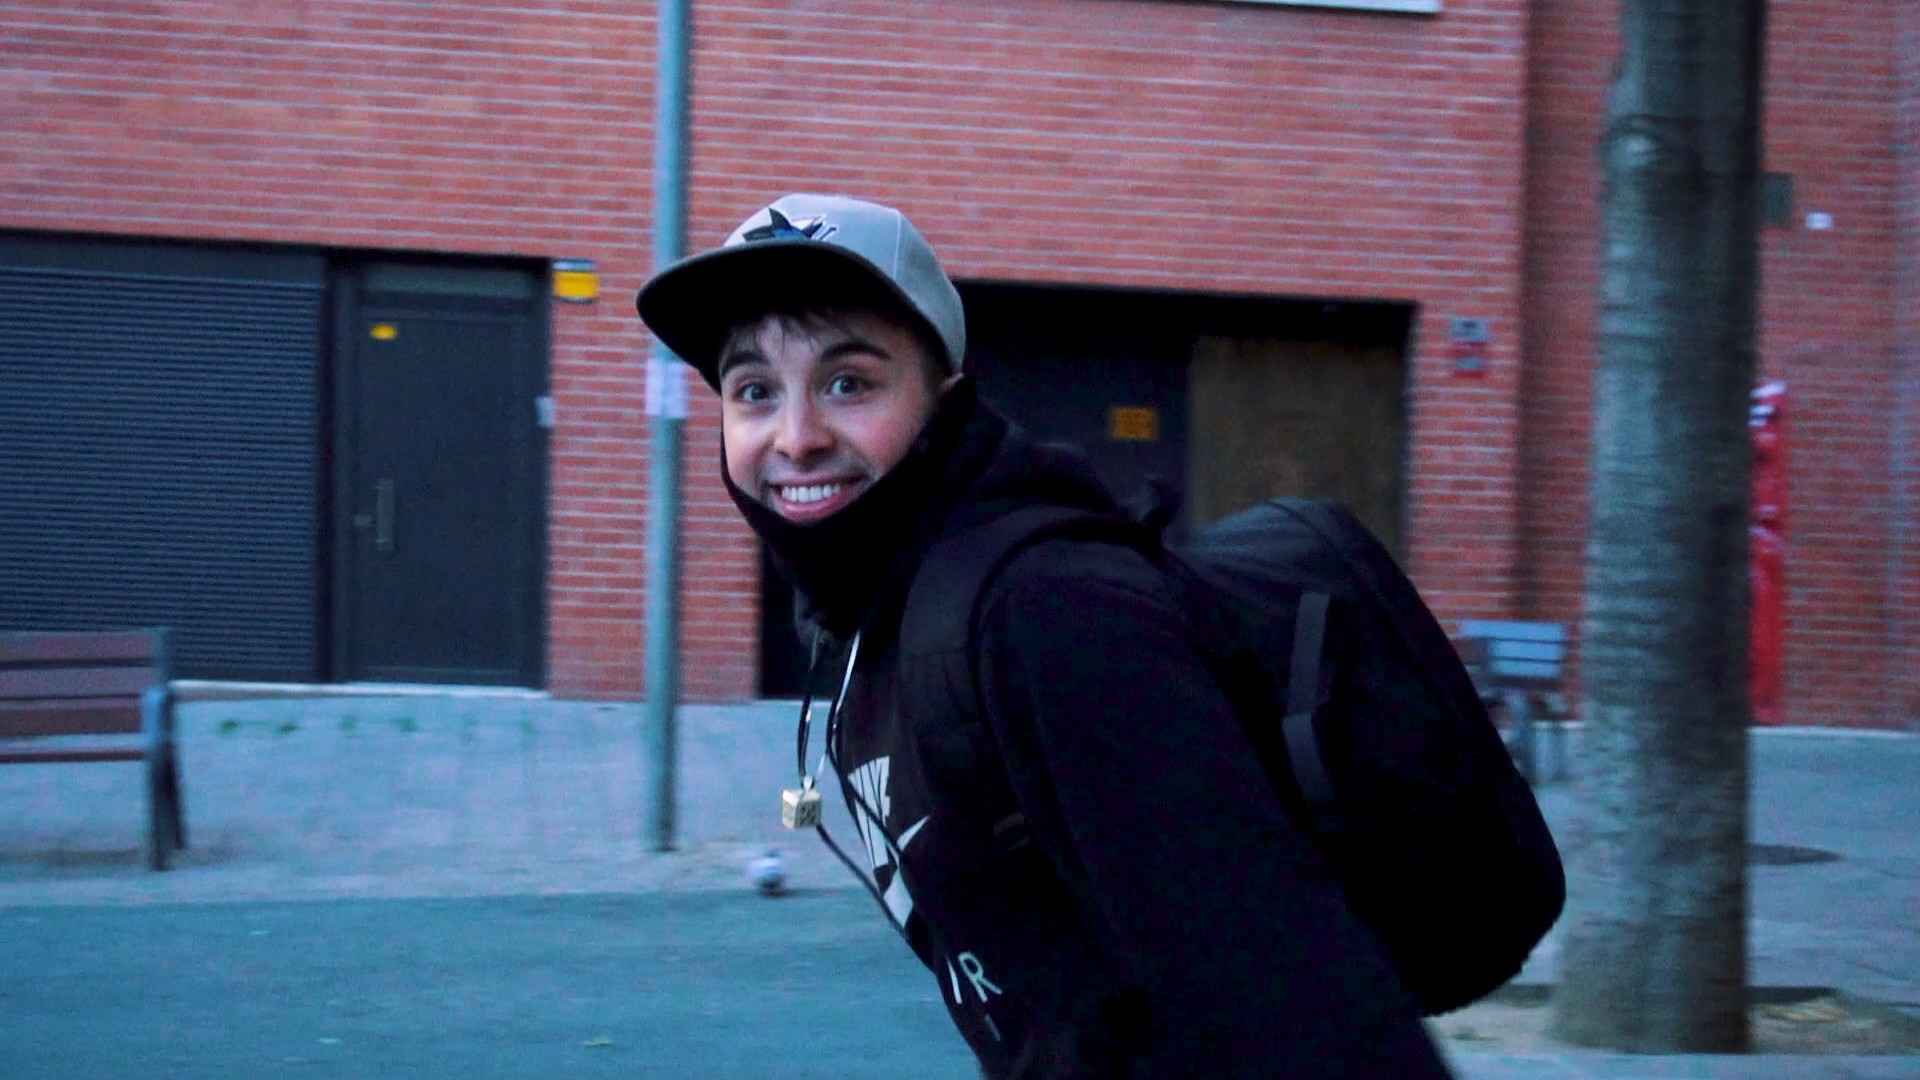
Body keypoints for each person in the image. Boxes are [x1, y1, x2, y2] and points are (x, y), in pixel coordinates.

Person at [637, 193, 1454, 1079]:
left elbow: (1308, 1010)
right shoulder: (876, 609)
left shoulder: (1043, 616)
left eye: (849, 382)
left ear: (943, 397)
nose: (795, 439)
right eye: (755, 391)